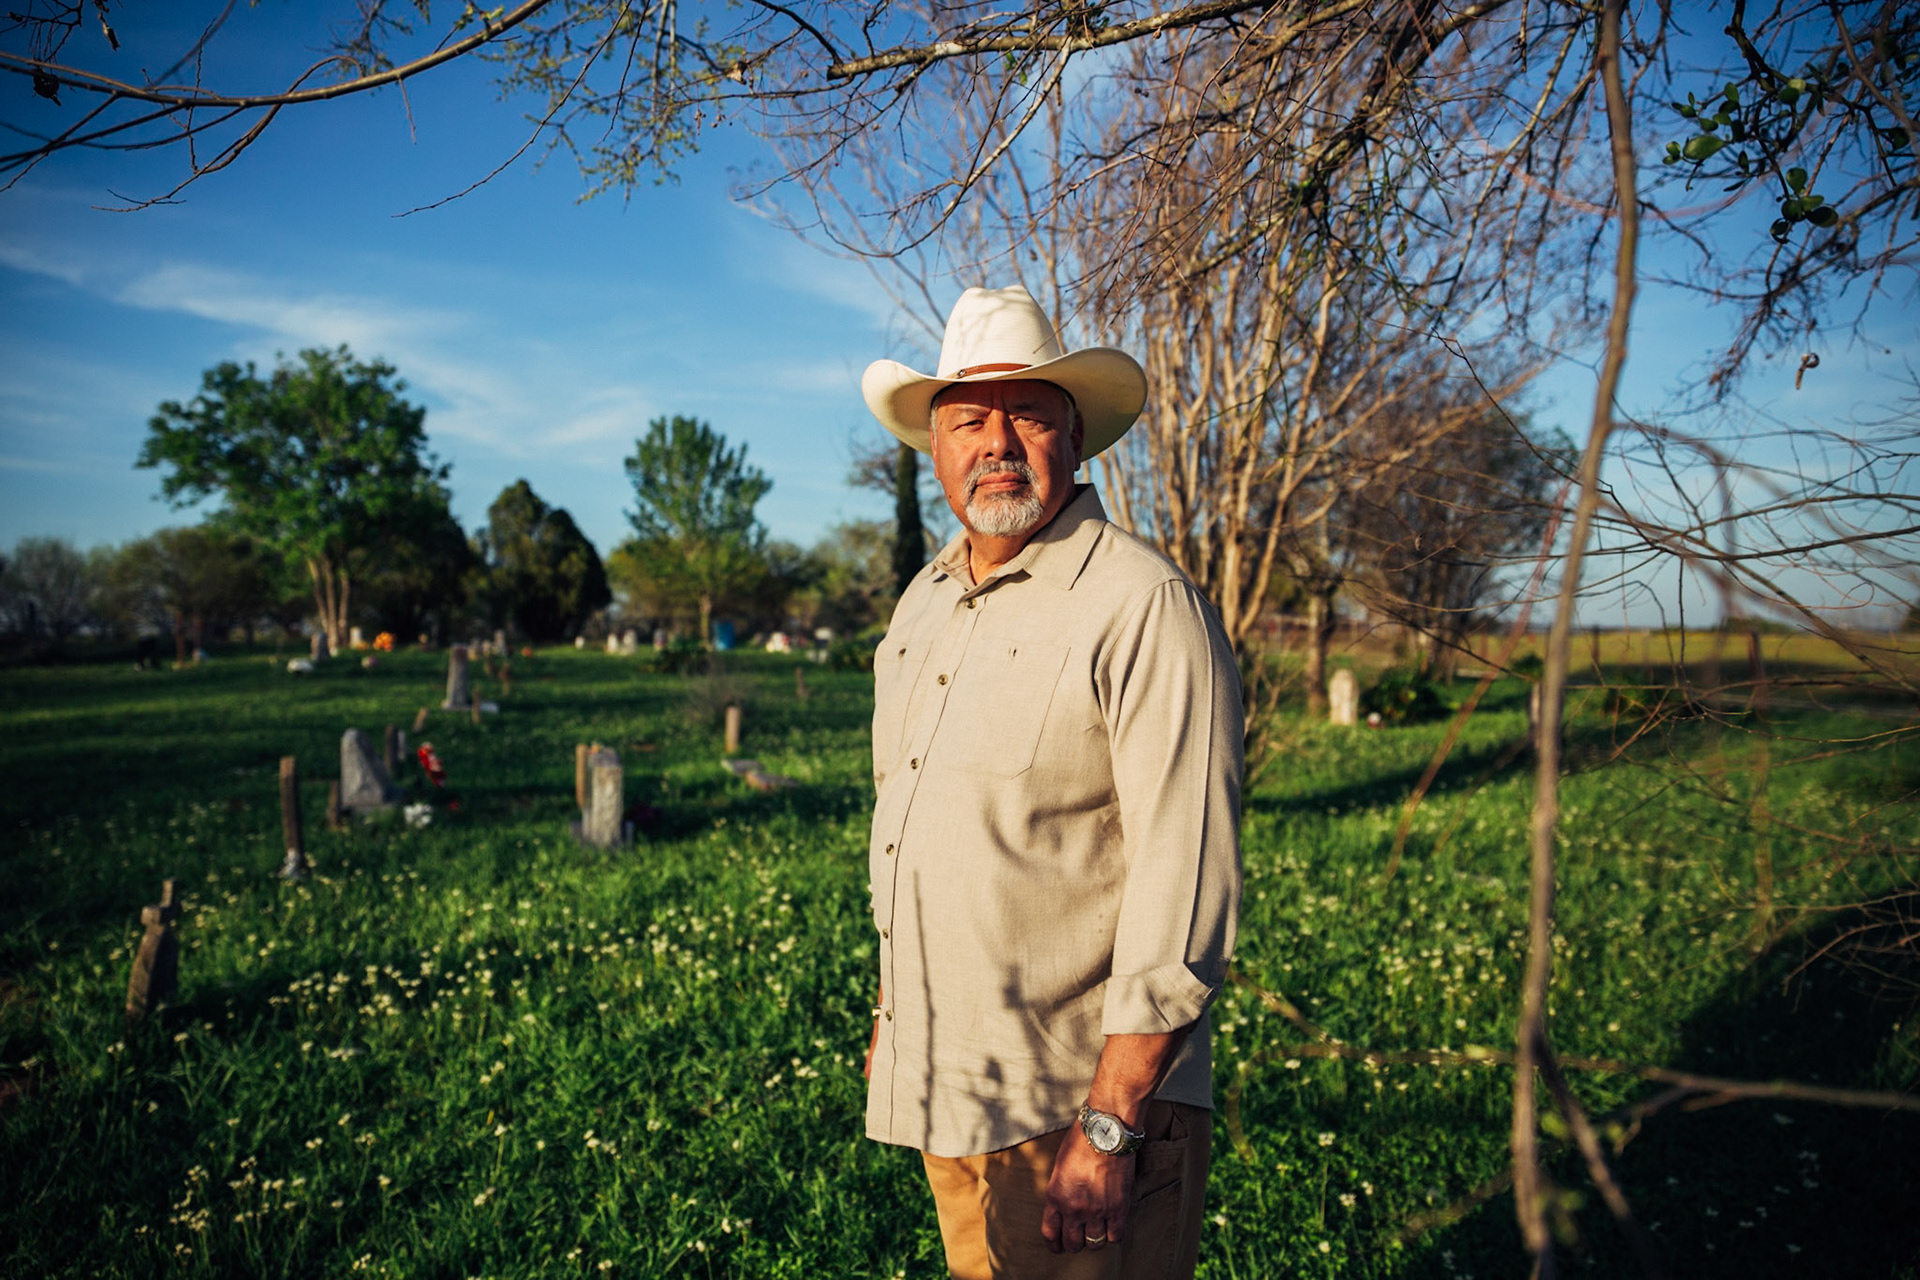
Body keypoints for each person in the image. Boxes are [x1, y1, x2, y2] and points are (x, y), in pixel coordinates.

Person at [859, 285, 1244, 1279]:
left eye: (1026, 412)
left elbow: (1185, 880)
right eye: (966, 419)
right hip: (950, 1081)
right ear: (933, 448)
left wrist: (1112, 1123)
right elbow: (914, 825)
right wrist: (893, 1013)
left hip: (1077, 1108)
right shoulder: (924, 607)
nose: (996, 441)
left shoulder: (1142, 605)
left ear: (1074, 436)